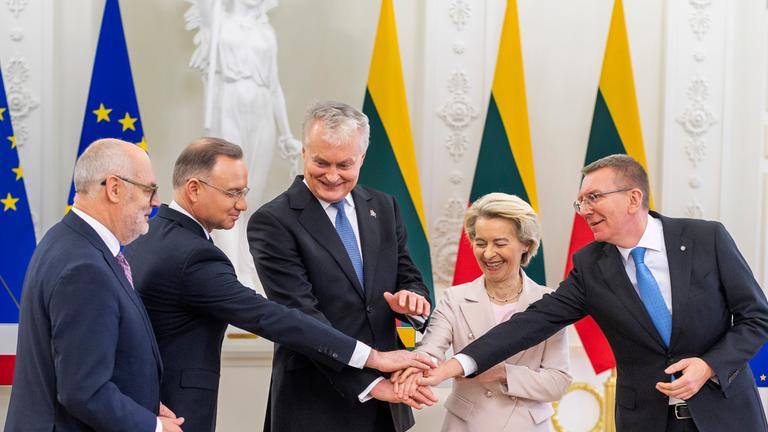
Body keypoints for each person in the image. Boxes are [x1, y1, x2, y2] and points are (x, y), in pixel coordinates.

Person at [417, 154, 768, 432]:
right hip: (646, 420)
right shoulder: (590, 265)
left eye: (593, 198)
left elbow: (757, 317)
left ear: (633, 198)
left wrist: (709, 366)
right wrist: (456, 364)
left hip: (726, 412)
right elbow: (532, 322)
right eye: (580, 202)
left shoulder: (705, 239)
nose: (584, 210)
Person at [124, 137, 431, 432]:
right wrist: (373, 358)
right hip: (174, 411)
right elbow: (273, 317)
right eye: (232, 193)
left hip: (149, 399)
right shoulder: (194, 255)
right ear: (194, 189)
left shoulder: (150, 236)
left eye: (243, 192)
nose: (242, 204)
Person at [248, 101, 436, 432]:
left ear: (362, 158)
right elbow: (301, 316)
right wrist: (369, 383)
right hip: (315, 404)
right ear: (304, 152)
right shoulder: (273, 221)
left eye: (344, 165)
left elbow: (409, 276)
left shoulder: (384, 206)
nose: (332, 176)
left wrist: (413, 300)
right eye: (321, 162)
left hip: (387, 409)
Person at [4, 139, 184, 432]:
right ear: (114, 188)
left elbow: (92, 358)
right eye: (149, 189)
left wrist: (145, 402)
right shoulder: (84, 268)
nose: (155, 202)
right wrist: (154, 427)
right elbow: (83, 390)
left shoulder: (66, 239)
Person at [395, 193, 571, 431]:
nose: (488, 254)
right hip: (465, 425)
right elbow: (430, 352)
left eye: (499, 243)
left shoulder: (548, 302)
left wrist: (502, 372)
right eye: (480, 243)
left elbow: (558, 382)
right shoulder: (454, 298)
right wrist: (414, 372)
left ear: (525, 244)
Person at [185, 0, 302, 288]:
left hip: (261, 106)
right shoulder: (218, 20)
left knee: (253, 190)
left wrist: (286, 134)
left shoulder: (266, 32)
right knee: (227, 191)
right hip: (230, 99)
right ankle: (232, 271)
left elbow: (275, 87)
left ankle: (246, 265)